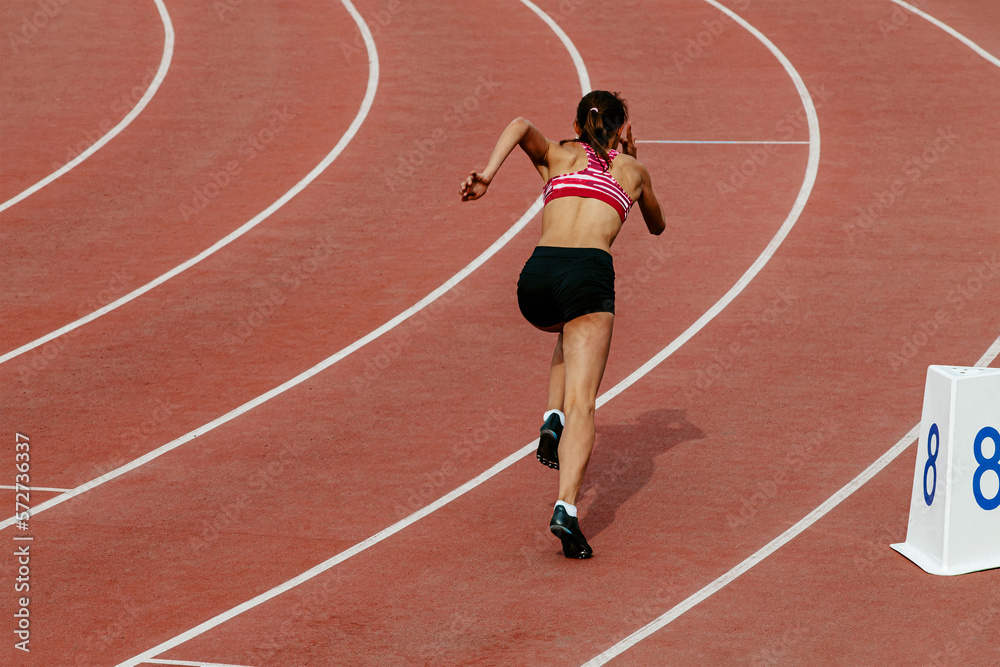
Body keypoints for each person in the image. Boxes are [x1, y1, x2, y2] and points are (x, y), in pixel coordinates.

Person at [460, 90, 666, 559]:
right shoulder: (631, 171)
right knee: (585, 404)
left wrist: (487, 177)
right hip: (588, 275)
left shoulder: (555, 155)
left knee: (569, 331)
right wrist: (632, 163)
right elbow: (657, 226)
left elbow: (516, 121)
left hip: (535, 282)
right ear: (620, 131)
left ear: (577, 123)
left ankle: (551, 417)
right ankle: (566, 509)